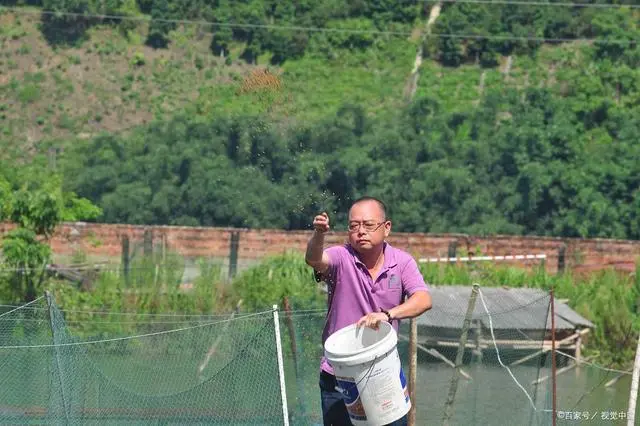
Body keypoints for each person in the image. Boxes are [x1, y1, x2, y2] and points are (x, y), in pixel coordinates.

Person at [305, 196, 432, 426]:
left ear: (386, 228)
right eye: (354, 226)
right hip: (339, 375)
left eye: (368, 225)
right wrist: (319, 234)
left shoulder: (402, 263)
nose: (360, 231)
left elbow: (423, 299)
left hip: (383, 373)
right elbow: (315, 259)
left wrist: (388, 314)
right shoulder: (341, 258)